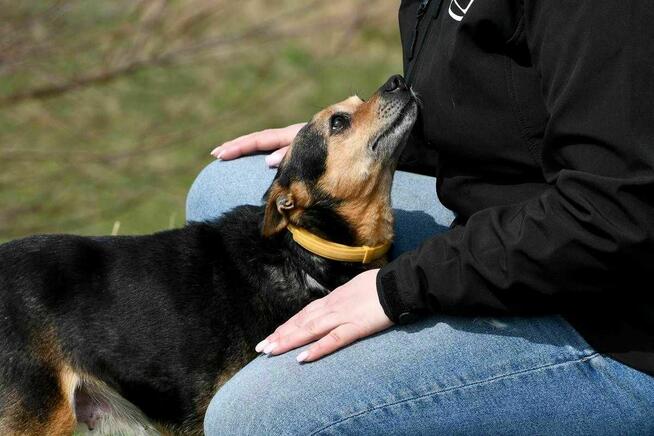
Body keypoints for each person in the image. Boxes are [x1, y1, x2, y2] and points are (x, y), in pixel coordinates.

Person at [188, 1, 654, 434]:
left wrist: (399, 288)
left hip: (613, 319)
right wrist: (361, 142)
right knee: (228, 184)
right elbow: (506, 116)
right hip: (513, 224)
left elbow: (612, 211)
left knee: (255, 418)